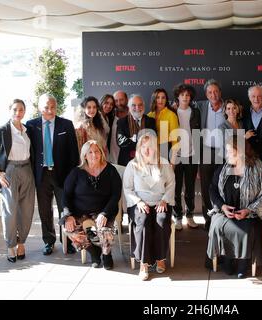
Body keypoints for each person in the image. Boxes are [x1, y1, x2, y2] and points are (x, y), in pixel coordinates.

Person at [207, 136, 262, 278]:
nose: (227, 155)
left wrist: (249, 210)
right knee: (218, 226)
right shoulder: (224, 167)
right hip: (225, 212)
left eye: (231, 152)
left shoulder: (258, 168)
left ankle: (244, 263)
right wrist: (222, 206)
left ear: (241, 152)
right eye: (227, 152)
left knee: (246, 229)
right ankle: (227, 260)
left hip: (250, 213)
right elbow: (212, 189)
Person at [26, 93, 79, 255]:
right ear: (39, 108)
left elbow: (74, 154)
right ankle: (49, 241)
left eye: (53, 107)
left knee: (66, 209)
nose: (50, 110)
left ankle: (68, 241)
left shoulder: (66, 125)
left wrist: (72, 177)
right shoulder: (31, 125)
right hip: (41, 176)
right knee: (45, 210)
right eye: (46, 107)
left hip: (62, 174)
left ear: (57, 107)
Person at [0, 99, 35, 262]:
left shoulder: (28, 130)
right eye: (15, 110)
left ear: (24, 111)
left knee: (27, 211)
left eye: (21, 110)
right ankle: (10, 246)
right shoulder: (2, 130)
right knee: (10, 212)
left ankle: (21, 243)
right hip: (10, 171)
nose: (17, 113)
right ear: (10, 110)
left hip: (27, 170)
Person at [61, 140, 122, 270]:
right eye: (90, 152)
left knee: (105, 231)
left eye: (96, 151)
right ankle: (93, 252)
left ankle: (106, 255)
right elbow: (66, 195)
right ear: (84, 155)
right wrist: (68, 215)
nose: (94, 155)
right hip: (80, 211)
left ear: (101, 153)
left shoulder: (110, 170)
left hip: (104, 210)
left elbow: (116, 195)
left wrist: (105, 213)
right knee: (69, 229)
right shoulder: (76, 172)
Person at [123, 131, 175, 280]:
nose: (147, 150)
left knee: (161, 219)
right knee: (143, 221)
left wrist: (164, 200)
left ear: (156, 148)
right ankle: (144, 263)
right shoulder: (132, 165)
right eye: (143, 146)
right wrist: (138, 202)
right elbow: (127, 188)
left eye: (150, 146)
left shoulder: (163, 163)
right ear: (139, 148)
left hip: (160, 201)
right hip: (139, 202)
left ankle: (160, 258)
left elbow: (171, 184)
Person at [196, 79, 226, 230]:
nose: (213, 95)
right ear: (206, 94)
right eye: (210, 92)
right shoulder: (200, 106)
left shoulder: (229, 107)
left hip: (224, 153)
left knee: (222, 186)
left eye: (215, 91)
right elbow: (183, 105)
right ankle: (208, 218)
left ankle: (221, 218)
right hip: (206, 151)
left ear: (220, 92)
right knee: (206, 187)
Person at [171, 83, 200, 230]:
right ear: (178, 96)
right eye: (182, 95)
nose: (185, 97)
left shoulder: (195, 112)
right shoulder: (172, 111)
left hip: (192, 155)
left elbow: (198, 133)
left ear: (191, 97)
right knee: (176, 188)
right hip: (176, 156)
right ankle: (177, 217)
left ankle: (190, 215)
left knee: (190, 188)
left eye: (187, 95)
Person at [116, 94, 156, 166]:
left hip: (147, 162)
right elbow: (121, 142)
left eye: (140, 105)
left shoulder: (151, 121)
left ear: (143, 106)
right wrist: (142, 140)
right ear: (129, 107)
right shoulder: (121, 122)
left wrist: (132, 139)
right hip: (126, 162)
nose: (137, 108)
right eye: (133, 105)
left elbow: (152, 141)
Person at [147, 88, 179, 160]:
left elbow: (175, 140)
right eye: (158, 97)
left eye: (163, 98)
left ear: (166, 100)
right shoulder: (149, 115)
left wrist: (173, 161)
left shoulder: (171, 115)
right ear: (154, 99)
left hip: (167, 150)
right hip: (152, 151)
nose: (160, 100)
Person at [99, 94, 120, 164]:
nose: (109, 106)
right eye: (106, 103)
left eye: (111, 104)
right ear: (102, 102)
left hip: (105, 150)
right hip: (97, 150)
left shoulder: (107, 118)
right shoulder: (97, 116)